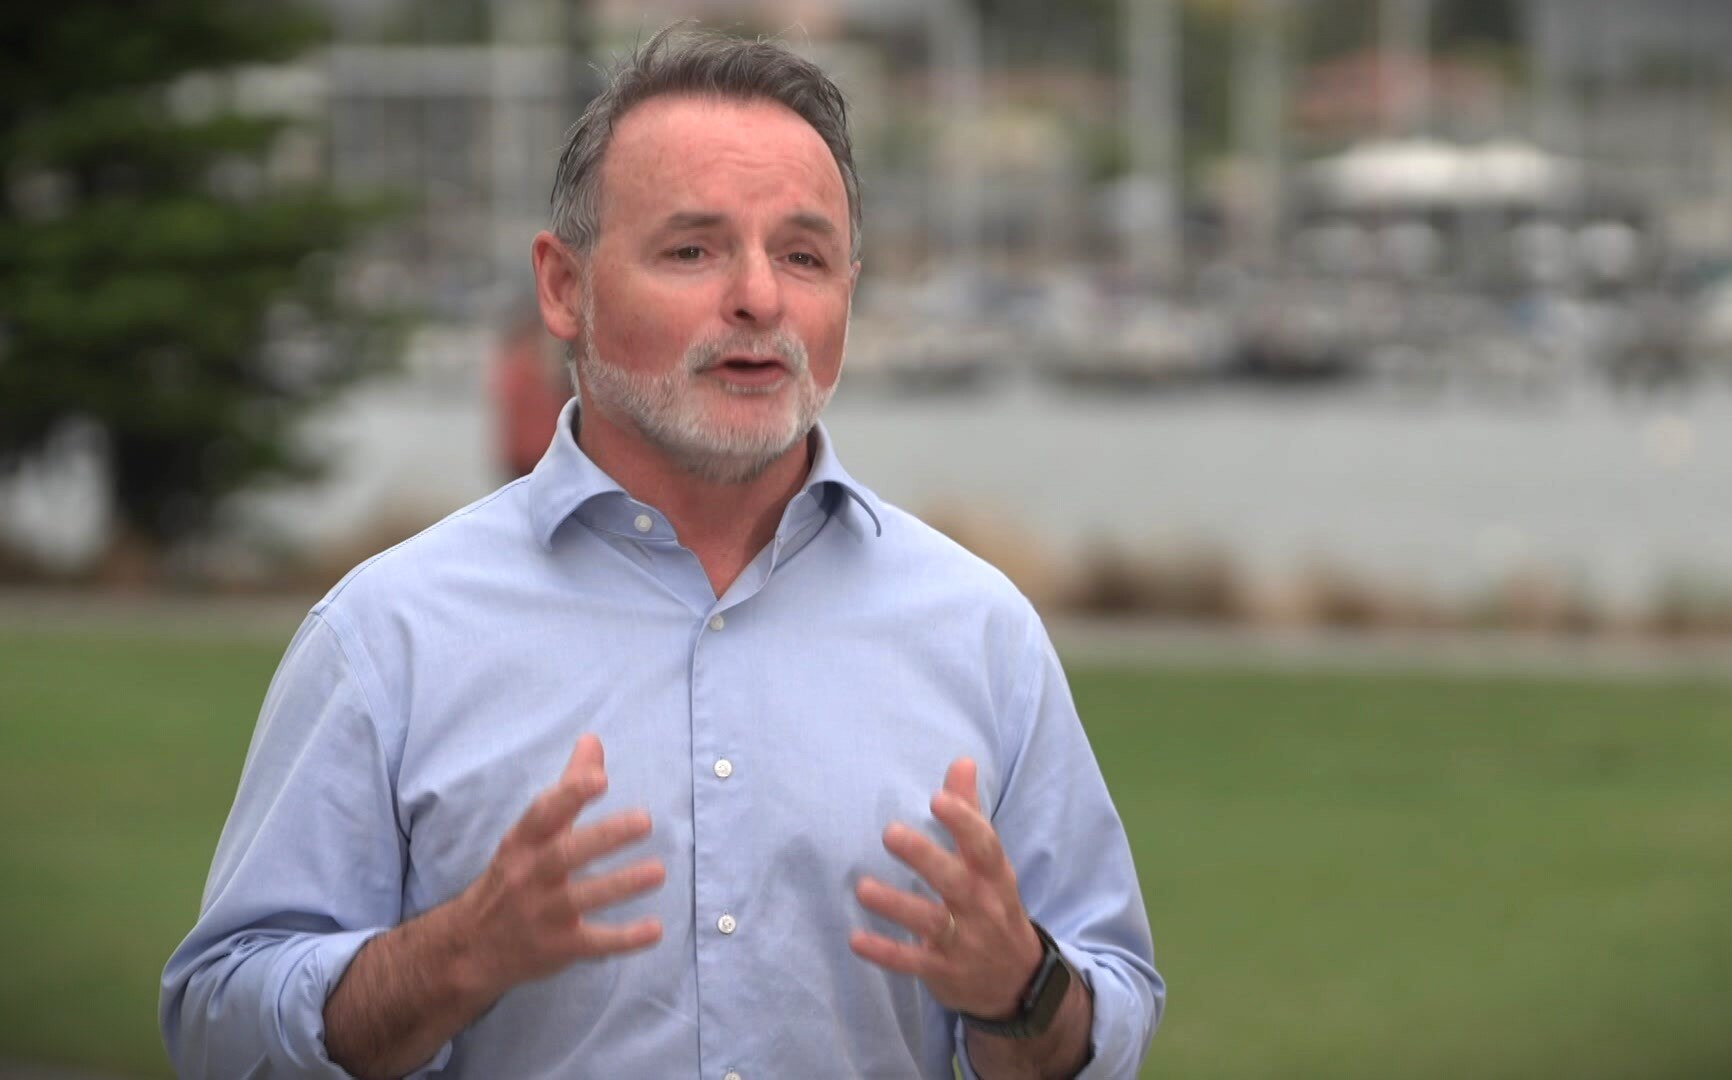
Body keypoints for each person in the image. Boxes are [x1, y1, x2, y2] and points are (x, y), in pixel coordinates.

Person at [160, 25, 1162, 1080]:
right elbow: (220, 1028)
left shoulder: (981, 633)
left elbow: (1111, 1012)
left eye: (803, 255)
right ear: (564, 289)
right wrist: (458, 955)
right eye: (693, 249)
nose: (760, 297)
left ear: (850, 291)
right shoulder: (389, 635)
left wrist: (1023, 992)